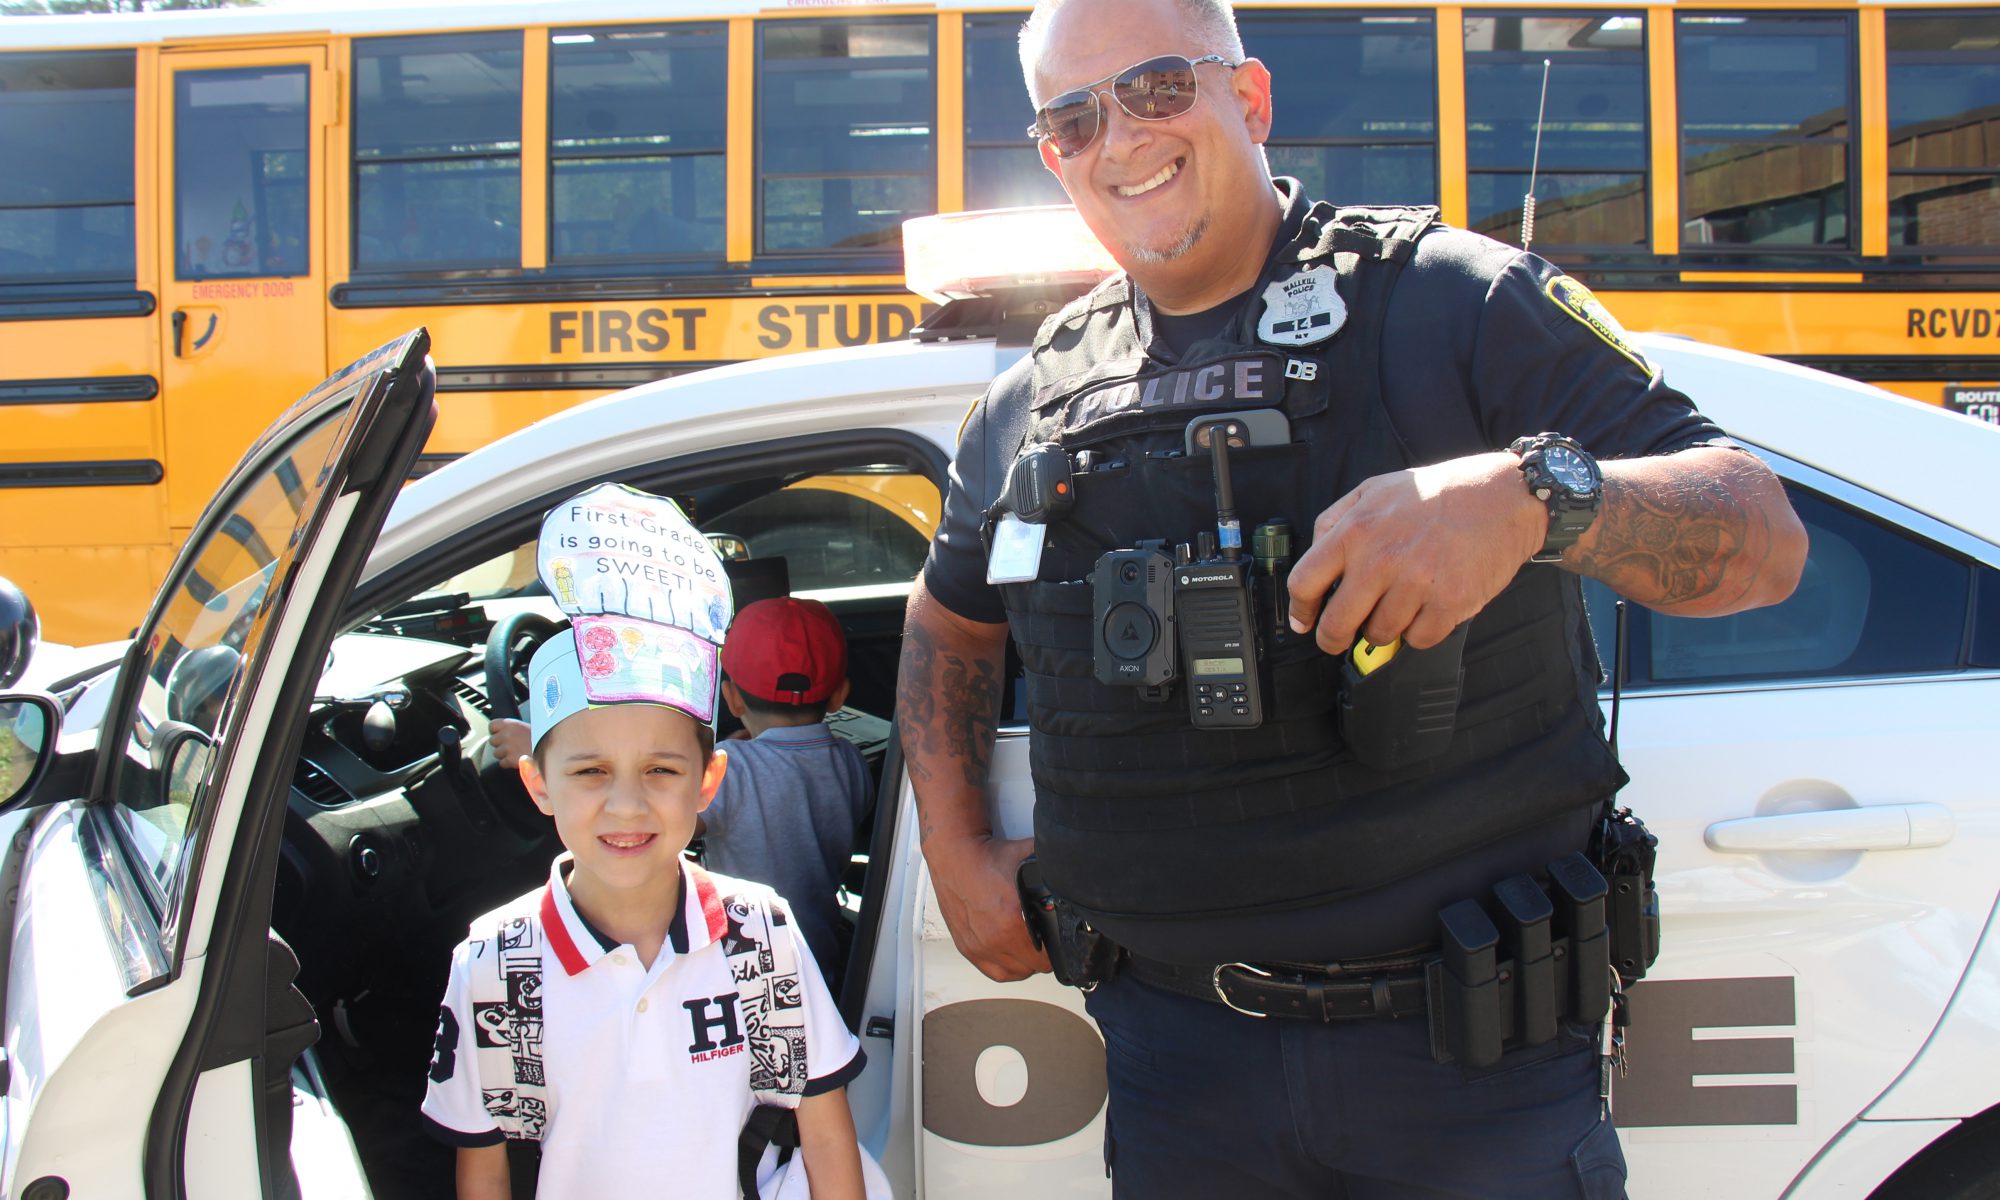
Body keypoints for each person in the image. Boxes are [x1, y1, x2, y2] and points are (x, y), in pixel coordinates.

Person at [896, 1, 1809, 1197]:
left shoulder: (1449, 302)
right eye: (1072, 116)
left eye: (1158, 87)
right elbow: (947, 614)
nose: (1118, 137)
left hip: (1467, 1067)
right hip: (1178, 1075)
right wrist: (955, 846)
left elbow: (1760, 535)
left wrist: (1531, 498)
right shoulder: (1034, 399)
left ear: (1251, 98)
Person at [423, 485, 867, 1200]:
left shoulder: (762, 935)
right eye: (590, 771)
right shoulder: (493, 964)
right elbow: (484, 1164)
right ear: (539, 785)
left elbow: (824, 1133)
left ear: (708, 780)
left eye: (661, 769)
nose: (626, 804)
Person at [701, 596, 874, 978]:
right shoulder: (850, 762)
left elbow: (666, 818)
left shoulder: (728, 768)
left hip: (745, 971)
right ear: (839, 696)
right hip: (821, 956)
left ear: (731, 699)